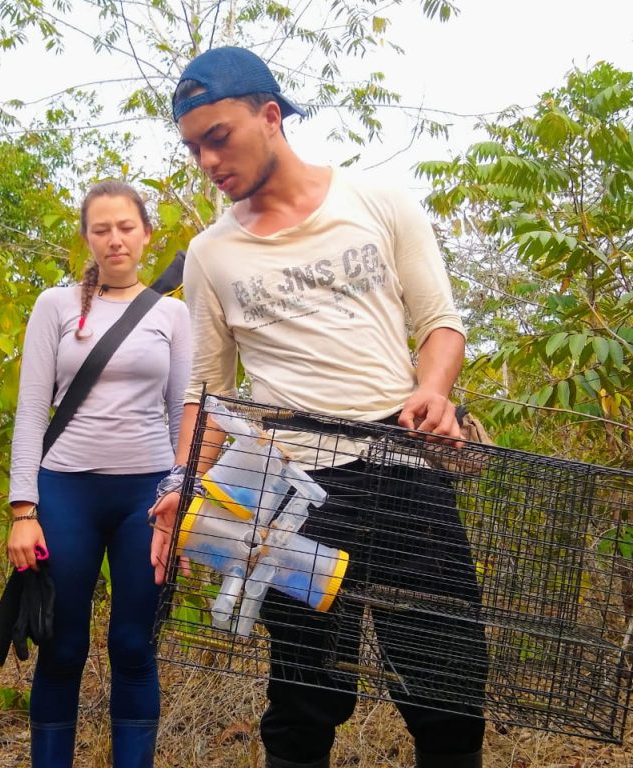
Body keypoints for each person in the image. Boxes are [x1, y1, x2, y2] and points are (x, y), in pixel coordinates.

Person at [149, 47, 487, 768]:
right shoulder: (212, 254)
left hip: (404, 473)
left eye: (219, 137)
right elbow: (206, 392)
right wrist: (179, 490)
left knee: (448, 688)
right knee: (304, 700)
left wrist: (432, 390)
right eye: (193, 147)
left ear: (270, 117)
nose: (207, 160)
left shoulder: (378, 202)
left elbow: (441, 323)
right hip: (295, 498)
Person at [7, 180, 191, 767]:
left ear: (147, 233)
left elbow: (181, 411)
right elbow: (33, 411)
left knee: (134, 645)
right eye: (101, 229)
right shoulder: (55, 306)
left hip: (145, 496)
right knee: (63, 645)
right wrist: (22, 510)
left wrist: (179, 501)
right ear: (87, 238)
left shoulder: (173, 313)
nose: (115, 240)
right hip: (65, 492)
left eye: (126, 227)